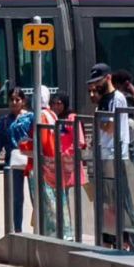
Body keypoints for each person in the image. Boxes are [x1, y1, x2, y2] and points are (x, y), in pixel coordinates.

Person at [89, 62, 134, 248]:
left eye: (98, 80)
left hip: (116, 155)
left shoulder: (116, 99)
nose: (95, 85)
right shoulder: (103, 100)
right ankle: (109, 239)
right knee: (107, 202)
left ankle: (128, 240)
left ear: (107, 78)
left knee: (121, 201)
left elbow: (109, 127)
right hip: (104, 154)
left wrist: (98, 119)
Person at [11, 85, 58, 235]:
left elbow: (40, 144)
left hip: (40, 167)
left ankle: (45, 232)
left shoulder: (40, 116)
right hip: (51, 165)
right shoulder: (52, 114)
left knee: (43, 203)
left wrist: (23, 144)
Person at [49, 92, 86, 237]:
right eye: (54, 103)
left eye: (59, 103)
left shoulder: (72, 118)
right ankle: (65, 229)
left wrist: (65, 153)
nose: (56, 106)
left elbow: (80, 141)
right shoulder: (54, 119)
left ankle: (72, 231)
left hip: (70, 166)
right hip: (58, 166)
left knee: (70, 199)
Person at [0, 86, 28, 233]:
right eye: (11, 100)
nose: (14, 103)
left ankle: (42, 228)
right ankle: (17, 228)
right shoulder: (4, 122)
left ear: (23, 101)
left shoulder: (31, 118)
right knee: (16, 198)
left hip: (31, 160)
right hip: (13, 162)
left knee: (37, 196)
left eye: (17, 100)